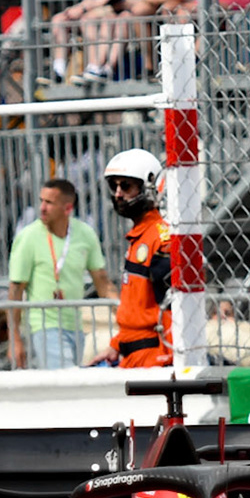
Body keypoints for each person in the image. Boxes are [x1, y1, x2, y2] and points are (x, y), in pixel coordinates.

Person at [6, 177, 113, 369]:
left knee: (72, 384)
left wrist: (125, 315)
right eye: (41, 201)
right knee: (65, 379)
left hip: (76, 325)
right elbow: (16, 290)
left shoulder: (85, 233)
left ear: (67, 208)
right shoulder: (28, 236)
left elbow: (102, 282)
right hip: (45, 326)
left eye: (49, 203)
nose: (42, 208)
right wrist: (15, 339)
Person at [100, 147, 172, 367]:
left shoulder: (160, 239)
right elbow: (135, 308)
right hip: (130, 354)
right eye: (114, 186)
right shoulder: (139, 238)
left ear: (150, 187)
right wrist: (116, 344)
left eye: (126, 186)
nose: (118, 194)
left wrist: (170, 357)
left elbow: (170, 307)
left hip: (152, 357)